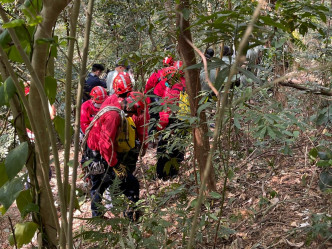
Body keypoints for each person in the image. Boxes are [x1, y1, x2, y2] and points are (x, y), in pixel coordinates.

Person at [82, 91, 147, 220]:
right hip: (100, 154)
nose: (131, 116)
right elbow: (105, 144)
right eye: (132, 113)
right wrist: (115, 164)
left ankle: (97, 216)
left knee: (98, 185)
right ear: (129, 107)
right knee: (131, 183)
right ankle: (132, 216)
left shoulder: (113, 101)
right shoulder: (114, 116)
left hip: (94, 151)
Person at [154, 64, 187, 180]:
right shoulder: (186, 84)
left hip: (171, 122)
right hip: (185, 122)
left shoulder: (173, 89)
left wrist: (160, 127)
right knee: (178, 149)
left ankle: (162, 175)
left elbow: (165, 112)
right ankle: (173, 173)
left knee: (164, 148)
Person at [144, 56, 174, 134]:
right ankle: (161, 133)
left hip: (156, 96)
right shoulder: (174, 74)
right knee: (165, 117)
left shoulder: (157, 73)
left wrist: (146, 95)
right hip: (164, 98)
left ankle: (152, 135)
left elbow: (148, 85)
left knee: (154, 117)